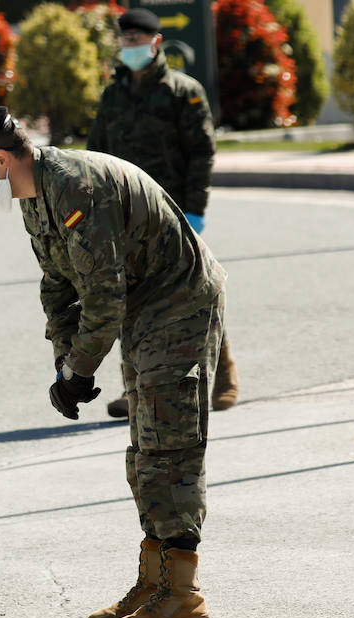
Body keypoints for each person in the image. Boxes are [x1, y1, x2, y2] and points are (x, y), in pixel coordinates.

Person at [0, 105, 225, 618]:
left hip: (179, 301)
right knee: (144, 447)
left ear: (0, 159)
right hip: (144, 308)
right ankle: (155, 582)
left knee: (171, 445)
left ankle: (184, 596)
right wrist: (63, 364)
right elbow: (58, 287)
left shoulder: (75, 188)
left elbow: (102, 295)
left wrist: (80, 368)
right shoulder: (33, 197)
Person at [87, 8, 239, 417]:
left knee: (197, 290)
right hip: (125, 214)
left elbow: (201, 153)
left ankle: (222, 375)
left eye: (137, 40)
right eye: (125, 41)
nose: (130, 47)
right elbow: (96, 154)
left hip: (175, 210)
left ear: (156, 43)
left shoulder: (182, 91)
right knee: (129, 298)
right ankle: (134, 388)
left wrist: (195, 209)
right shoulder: (113, 95)